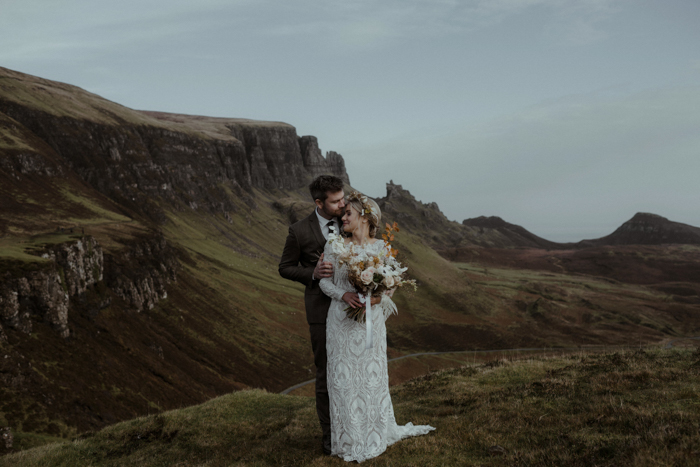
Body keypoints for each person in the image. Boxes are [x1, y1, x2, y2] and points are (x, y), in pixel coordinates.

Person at [319, 191, 435, 463]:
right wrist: (344, 295)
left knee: (371, 379)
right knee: (343, 380)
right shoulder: (334, 246)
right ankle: (348, 439)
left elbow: (390, 287)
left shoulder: (382, 248)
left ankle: (373, 434)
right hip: (341, 322)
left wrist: (378, 296)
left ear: (365, 217)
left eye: (348, 213)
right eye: (343, 213)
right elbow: (325, 283)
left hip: (370, 323)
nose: (343, 217)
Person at [278, 174, 346, 456]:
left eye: (343, 198)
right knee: (326, 373)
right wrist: (313, 273)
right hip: (320, 309)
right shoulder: (298, 231)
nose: (342, 204)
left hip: (350, 307)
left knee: (350, 369)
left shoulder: (350, 218)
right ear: (319, 203)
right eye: (335, 201)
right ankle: (330, 436)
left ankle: (352, 427)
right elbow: (285, 267)